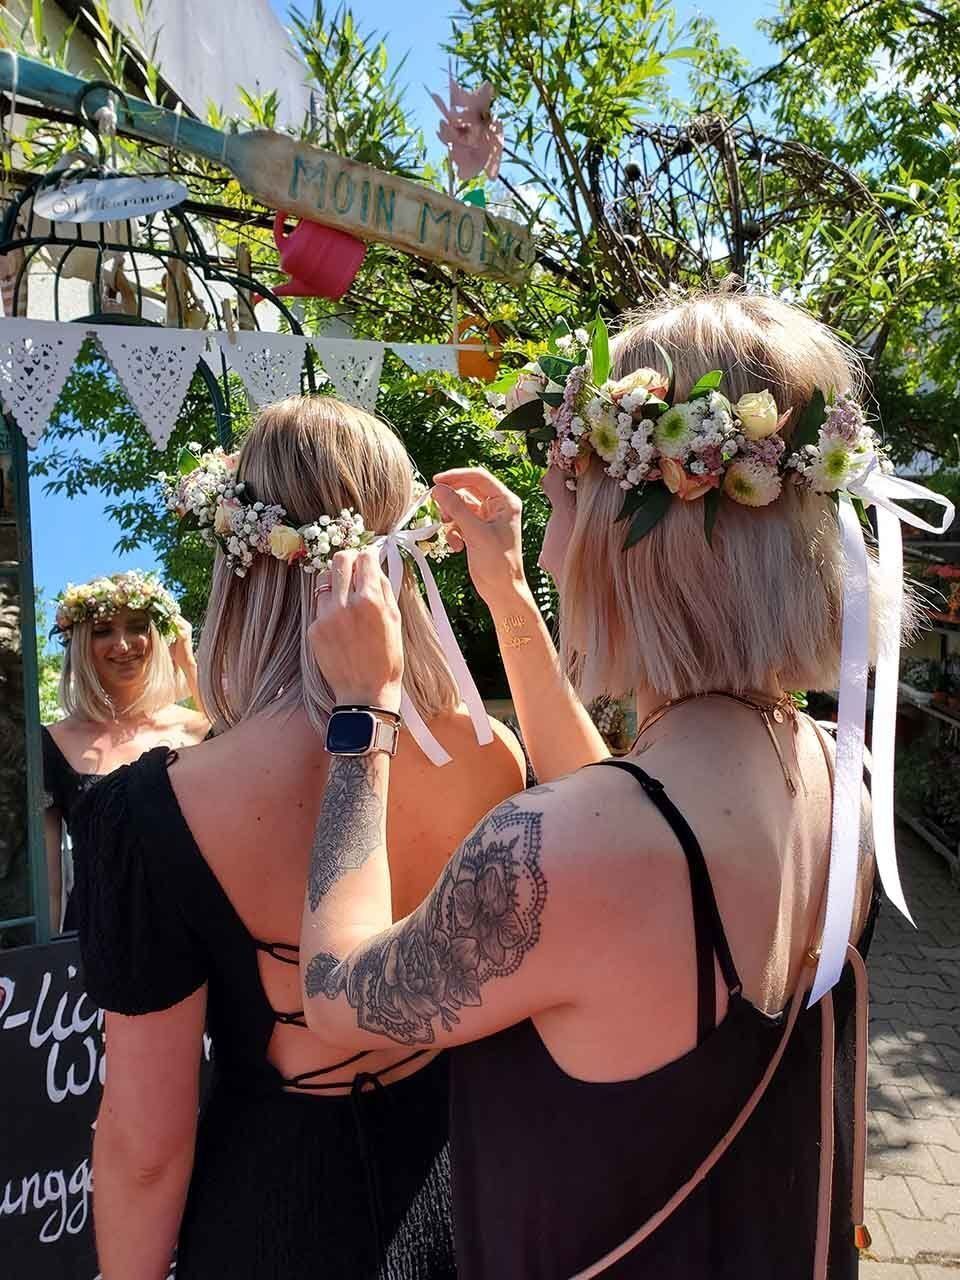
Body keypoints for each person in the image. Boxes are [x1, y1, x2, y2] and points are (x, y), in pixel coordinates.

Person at [297, 288, 950, 1279]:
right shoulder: (839, 769)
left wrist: (362, 718)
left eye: (565, 509)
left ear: (634, 535)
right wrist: (509, 596)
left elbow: (341, 996)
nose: (555, 547)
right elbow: (629, 811)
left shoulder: (575, 850)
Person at [71, 398, 526, 1280]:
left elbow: (145, 1145)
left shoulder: (151, 810)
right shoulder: (490, 755)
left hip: (274, 1212)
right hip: (468, 1185)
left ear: (242, 559)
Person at [43, 570, 207, 931]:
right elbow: (50, 888)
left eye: (137, 626)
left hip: (199, 937)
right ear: (81, 643)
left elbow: (244, 764)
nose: (122, 644)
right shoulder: (51, 742)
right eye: (103, 630)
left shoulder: (197, 728)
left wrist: (189, 661)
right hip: (98, 944)